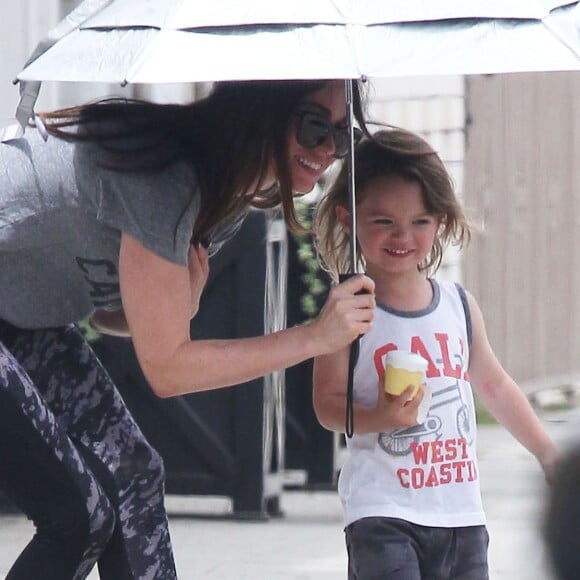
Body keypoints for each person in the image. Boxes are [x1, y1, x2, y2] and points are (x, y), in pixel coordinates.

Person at [0, 79, 376, 580]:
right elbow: (168, 369)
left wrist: (182, 307)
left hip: (21, 319)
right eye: (313, 127)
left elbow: (107, 316)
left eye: (339, 134)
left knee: (133, 476)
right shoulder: (166, 179)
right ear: (261, 111)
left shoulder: (226, 196)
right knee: (78, 514)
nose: (328, 150)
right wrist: (313, 337)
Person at [312, 128, 558, 579]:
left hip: (460, 514)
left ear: (441, 222)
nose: (402, 234)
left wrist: (547, 452)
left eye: (420, 221)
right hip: (382, 512)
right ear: (349, 219)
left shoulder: (458, 306)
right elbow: (327, 405)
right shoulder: (347, 311)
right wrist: (381, 417)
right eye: (383, 221)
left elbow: (495, 386)